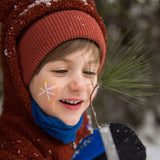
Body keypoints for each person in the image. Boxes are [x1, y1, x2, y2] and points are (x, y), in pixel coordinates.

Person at [0, 0, 146, 159]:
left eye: (89, 72)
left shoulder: (82, 131)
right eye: (61, 70)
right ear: (22, 79)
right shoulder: (10, 150)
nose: (79, 85)